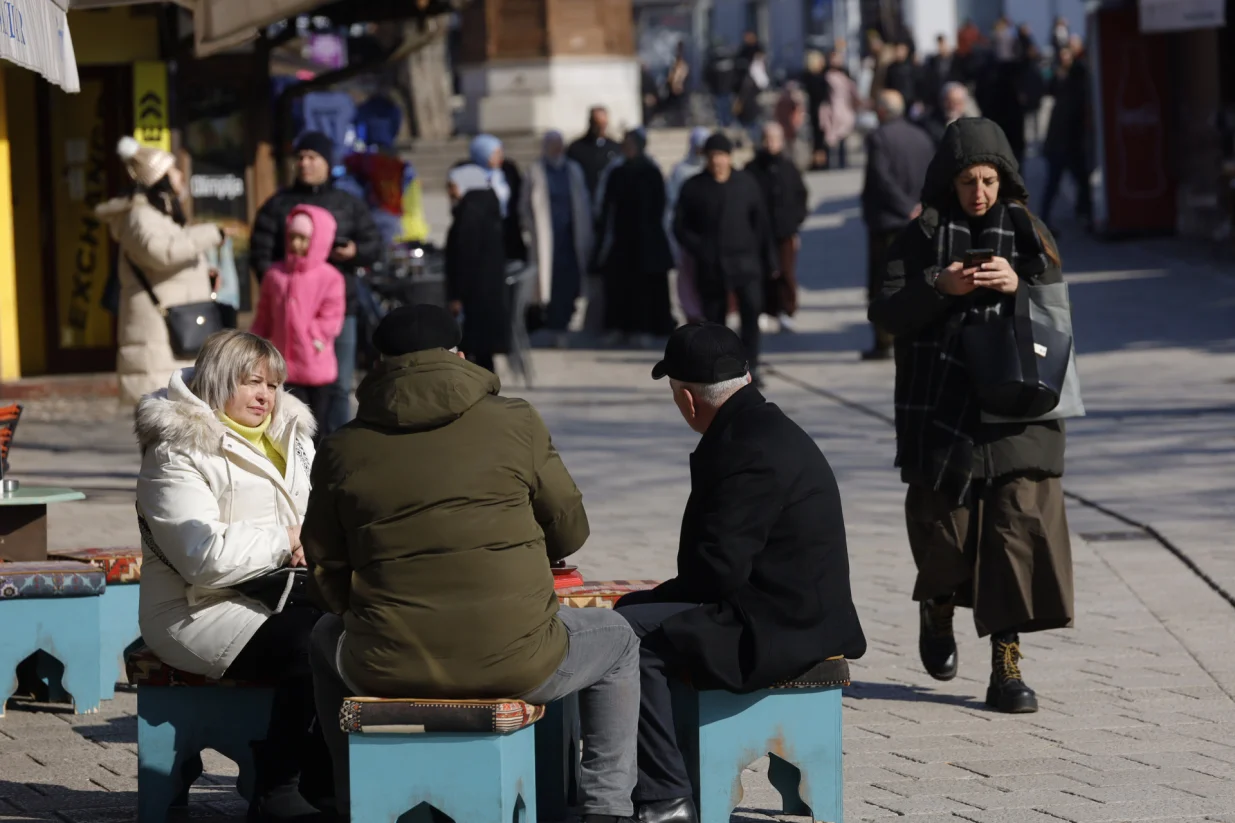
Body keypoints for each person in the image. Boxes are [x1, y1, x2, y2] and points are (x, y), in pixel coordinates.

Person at [303, 304, 641, 823]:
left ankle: (351, 798)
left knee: (325, 635)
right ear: (460, 357)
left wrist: (362, 611)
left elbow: (324, 564)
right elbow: (571, 529)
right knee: (617, 638)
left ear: (379, 365)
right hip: (517, 662)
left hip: (385, 665)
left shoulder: (343, 446)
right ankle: (607, 808)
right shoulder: (517, 420)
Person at [615, 322, 867, 823]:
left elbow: (715, 573)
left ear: (688, 400)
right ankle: (663, 779)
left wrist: (650, 600)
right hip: (788, 608)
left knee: (627, 640)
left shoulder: (744, 447)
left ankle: (666, 796)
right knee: (633, 614)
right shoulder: (760, 425)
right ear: (746, 375)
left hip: (779, 626)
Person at [868, 117, 1074, 714]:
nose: (978, 193)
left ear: (1004, 179)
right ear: (948, 182)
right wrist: (941, 286)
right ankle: (937, 612)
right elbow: (887, 312)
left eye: (987, 180)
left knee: (1015, 532)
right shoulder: (919, 238)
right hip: (941, 409)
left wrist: (1020, 286)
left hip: (1017, 410)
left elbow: (1060, 313)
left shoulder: (1030, 232)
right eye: (966, 181)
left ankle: (1006, 668)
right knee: (945, 536)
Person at [135, 330, 328, 821]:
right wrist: (287, 540)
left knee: (360, 625)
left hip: (279, 591)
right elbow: (200, 555)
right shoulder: (175, 451)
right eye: (251, 383)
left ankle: (329, 779)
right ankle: (278, 785)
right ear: (218, 382)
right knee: (314, 644)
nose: (266, 396)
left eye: (274, 384)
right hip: (199, 609)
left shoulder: (292, 437)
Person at [250, 131, 383, 436]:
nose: (305, 163)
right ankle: (294, 448)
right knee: (287, 382)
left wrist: (354, 253)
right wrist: (279, 290)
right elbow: (261, 252)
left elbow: (374, 244)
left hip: (341, 308)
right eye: (300, 157)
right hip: (288, 314)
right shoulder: (279, 204)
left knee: (337, 384)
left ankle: (337, 447)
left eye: (313, 157)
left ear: (327, 162)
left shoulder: (347, 203)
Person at [96, 138, 226, 406]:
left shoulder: (159, 216)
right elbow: (160, 252)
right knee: (162, 425)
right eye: (173, 169)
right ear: (160, 177)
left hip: (173, 332)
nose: (180, 175)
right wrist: (211, 233)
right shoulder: (140, 217)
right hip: (157, 336)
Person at [674, 133, 777, 383]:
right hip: (711, 266)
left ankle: (751, 365)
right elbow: (679, 227)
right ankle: (719, 369)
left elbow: (761, 225)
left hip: (746, 263)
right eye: (712, 157)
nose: (717, 161)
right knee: (714, 322)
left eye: (721, 156)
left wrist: (770, 260)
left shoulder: (746, 183)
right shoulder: (694, 187)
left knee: (751, 313)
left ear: (730, 157)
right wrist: (700, 249)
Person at [250, 206, 346, 432]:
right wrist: (253, 344)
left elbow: (332, 315)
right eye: (292, 237)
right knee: (286, 425)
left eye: (303, 238)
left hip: (315, 363)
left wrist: (315, 336)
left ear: (318, 240)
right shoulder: (275, 275)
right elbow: (264, 314)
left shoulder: (329, 277)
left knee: (317, 426)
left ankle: (317, 466)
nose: (296, 244)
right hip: (282, 366)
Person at [861, 90, 935, 361]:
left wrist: (905, 207)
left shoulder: (879, 138)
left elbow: (881, 179)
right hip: (916, 220)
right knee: (912, 280)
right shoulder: (921, 136)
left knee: (884, 283)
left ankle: (884, 341)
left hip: (888, 222)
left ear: (881, 110)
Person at [594, 129, 676, 348]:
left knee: (646, 287)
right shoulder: (617, 172)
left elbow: (660, 205)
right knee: (619, 287)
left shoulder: (651, 171)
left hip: (647, 239)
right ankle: (619, 328)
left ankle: (647, 328)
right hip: (622, 239)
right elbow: (607, 206)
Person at [522, 131, 595, 345]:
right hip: (547, 240)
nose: (557, 149)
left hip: (571, 238)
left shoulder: (573, 170)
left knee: (570, 282)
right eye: (553, 144)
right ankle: (554, 324)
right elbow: (525, 206)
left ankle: (566, 322)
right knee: (550, 283)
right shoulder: (535, 171)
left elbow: (583, 202)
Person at [444, 165, 510, 373]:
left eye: (452, 186)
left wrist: (456, 295)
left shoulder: (470, 213)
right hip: (486, 292)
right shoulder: (484, 207)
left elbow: (465, 258)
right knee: (483, 354)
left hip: (474, 294)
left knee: (475, 352)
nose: (450, 192)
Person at [745, 123, 808, 332]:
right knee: (761, 273)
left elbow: (801, 195)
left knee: (786, 272)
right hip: (759, 233)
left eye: (774, 139)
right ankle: (762, 310)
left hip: (784, 231)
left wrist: (796, 221)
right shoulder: (752, 168)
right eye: (766, 138)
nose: (770, 143)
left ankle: (786, 311)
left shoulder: (789, 167)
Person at [1040, 44, 1092, 232]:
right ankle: (1046, 219)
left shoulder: (1075, 81)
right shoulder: (1062, 85)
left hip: (1068, 143)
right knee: (1055, 183)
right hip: (1061, 144)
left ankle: (1084, 213)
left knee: (1080, 181)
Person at [665, 128, 711, 324]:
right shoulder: (681, 170)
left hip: (710, 235)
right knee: (687, 278)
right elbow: (672, 204)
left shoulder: (714, 170)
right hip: (688, 235)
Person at [468, 134, 528, 266]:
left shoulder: (508, 170)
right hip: (483, 231)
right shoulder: (469, 174)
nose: (500, 156)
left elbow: (518, 195)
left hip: (508, 229)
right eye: (495, 153)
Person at [819, 49, 861, 170]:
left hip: (844, 108)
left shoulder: (845, 75)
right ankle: (830, 163)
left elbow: (852, 92)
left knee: (843, 136)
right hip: (832, 109)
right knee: (831, 136)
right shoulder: (826, 76)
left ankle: (842, 161)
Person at [568, 106, 623, 199]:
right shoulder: (576, 148)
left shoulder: (616, 148)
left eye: (603, 124)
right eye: (597, 123)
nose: (600, 128)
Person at [920, 34, 964, 121]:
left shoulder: (956, 59)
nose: (941, 47)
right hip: (938, 96)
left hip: (952, 94)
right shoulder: (934, 61)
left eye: (943, 44)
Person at [802, 50, 832, 170]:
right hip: (820, 111)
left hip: (814, 110)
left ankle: (818, 162)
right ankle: (821, 163)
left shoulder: (807, 77)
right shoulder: (817, 78)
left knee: (817, 139)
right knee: (820, 140)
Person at [734, 48, 770, 146]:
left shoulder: (755, 70)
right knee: (751, 127)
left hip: (752, 104)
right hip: (749, 105)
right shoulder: (752, 72)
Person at [919, 81, 971, 146]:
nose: (953, 106)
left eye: (958, 103)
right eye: (950, 102)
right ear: (942, 101)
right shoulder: (928, 124)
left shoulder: (970, 125)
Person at [665, 41, 691, 127]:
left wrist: (678, 83)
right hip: (675, 90)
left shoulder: (684, 63)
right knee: (675, 107)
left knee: (681, 107)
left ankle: (681, 122)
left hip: (681, 89)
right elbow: (671, 76)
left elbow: (682, 73)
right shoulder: (674, 64)